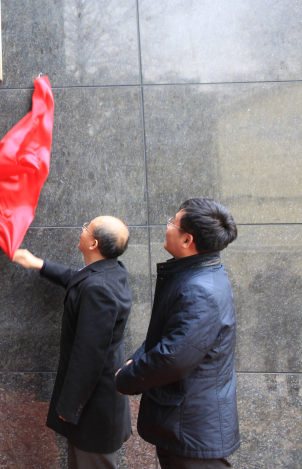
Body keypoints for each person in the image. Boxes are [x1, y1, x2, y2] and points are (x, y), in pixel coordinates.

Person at [116, 198, 239, 468]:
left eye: (172, 223)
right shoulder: (197, 273)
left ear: (187, 240)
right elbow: (169, 334)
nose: (167, 227)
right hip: (188, 420)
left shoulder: (199, 290)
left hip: (191, 427)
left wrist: (126, 378)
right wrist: (137, 358)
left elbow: (173, 357)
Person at [12, 216, 132, 469]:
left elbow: (89, 355)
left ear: (93, 244)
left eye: (86, 228)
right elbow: (77, 278)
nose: (82, 230)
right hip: (91, 401)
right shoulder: (110, 271)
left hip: (92, 405)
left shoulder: (98, 289)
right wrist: (38, 264)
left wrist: (70, 407)